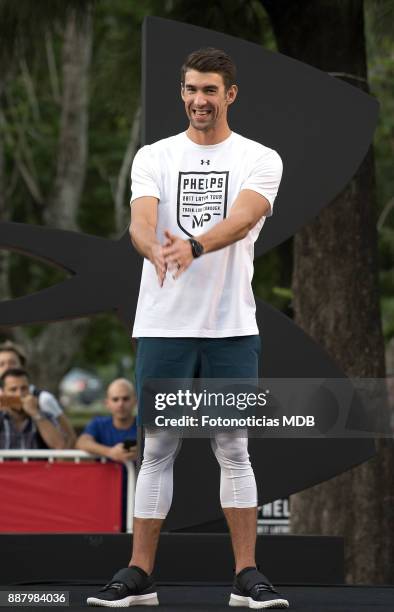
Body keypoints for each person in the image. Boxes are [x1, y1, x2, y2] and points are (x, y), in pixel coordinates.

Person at [87, 48, 288, 609]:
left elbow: (246, 215)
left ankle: (247, 577)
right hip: (163, 325)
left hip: (230, 327)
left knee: (233, 448)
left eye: (210, 91)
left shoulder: (259, 158)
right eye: (191, 90)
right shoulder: (154, 156)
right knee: (158, 447)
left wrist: (194, 245)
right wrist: (155, 248)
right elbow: (140, 222)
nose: (200, 100)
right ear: (182, 94)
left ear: (231, 94)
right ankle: (138, 574)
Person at [0, 341, 76, 447]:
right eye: (1, 364)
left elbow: (68, 436)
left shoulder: (43, 399)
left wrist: (35, 413)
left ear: (22, 366)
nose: (7, 368)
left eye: (12, 363)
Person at [0, 367, 66, 450]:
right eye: (13, 390)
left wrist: (35, 414)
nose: (20, 394)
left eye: (24, 388)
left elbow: (60, 446)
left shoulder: (46, 417)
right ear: (3, 393)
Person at [76, 378, 137, 463]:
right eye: (115, 399)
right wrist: (110, 452)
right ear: (107, 403)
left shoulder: (146, 426)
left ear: (135, 401)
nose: (120, 404)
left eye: (125, 399)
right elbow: (82, 442)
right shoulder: (98, 424)